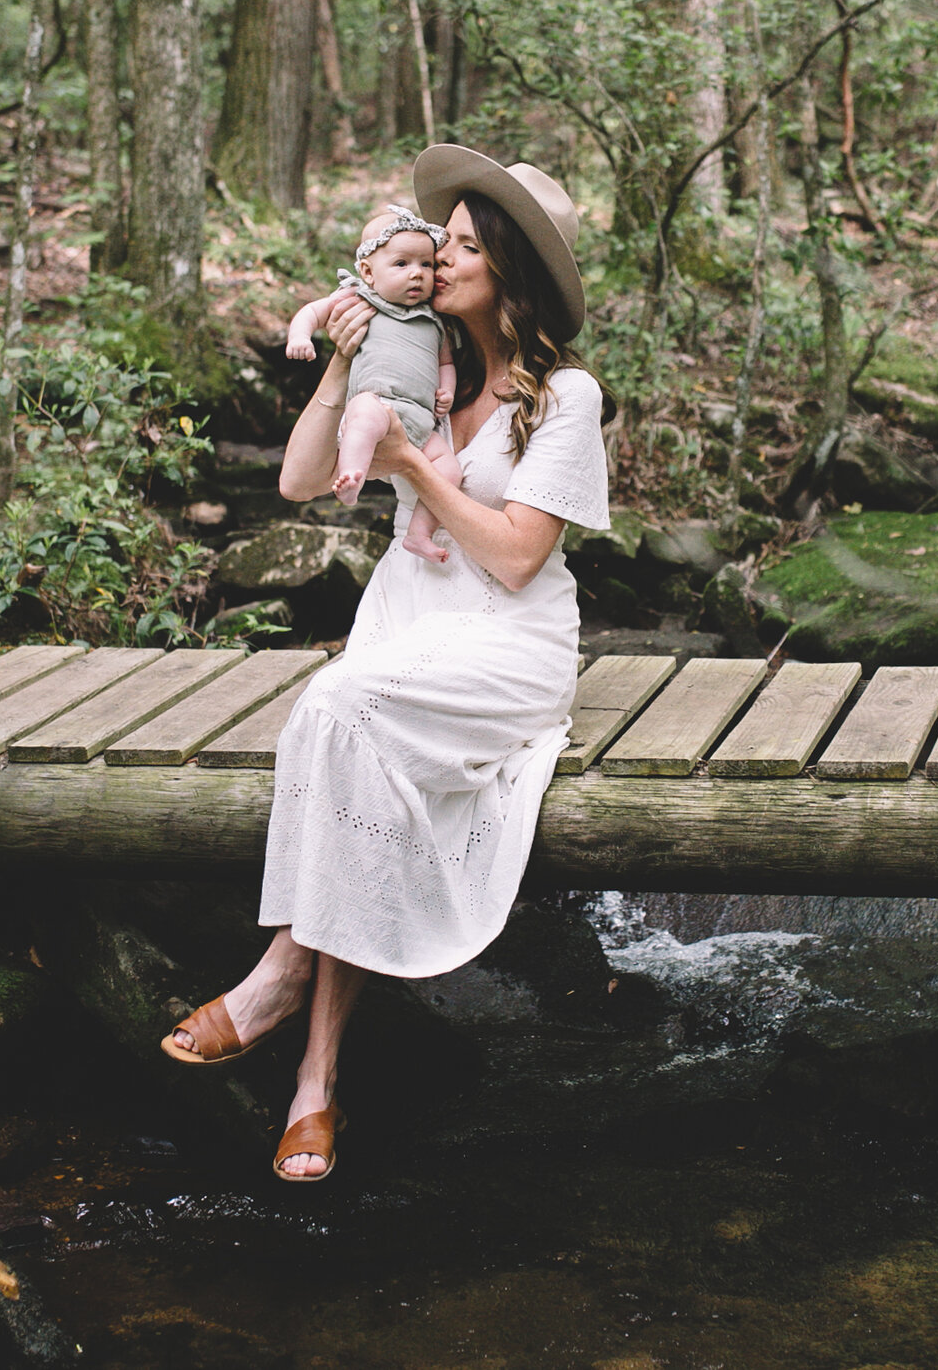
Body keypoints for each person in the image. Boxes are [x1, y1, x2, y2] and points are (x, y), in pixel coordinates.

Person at [159, 146, 613, 1184]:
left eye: (458, 243)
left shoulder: (566, 395)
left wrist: (409, 464)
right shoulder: (416, 359)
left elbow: (511, 554)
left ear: (507, 264)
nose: (434, 256)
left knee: (338, 703)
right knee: (345, 723)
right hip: (404, 619)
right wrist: (340, 361)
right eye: (438, 240)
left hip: (505, 640)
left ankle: (276, 976)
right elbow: (301, 479)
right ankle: (316, 1083)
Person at [283, 204, 463, 563]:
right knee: (363, 417)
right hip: (377, 402)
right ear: (367, 272)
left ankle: (419, 533)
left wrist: (447, 391)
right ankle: (353, 476)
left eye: (426, 264)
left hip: (420, 420)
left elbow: (445, 362)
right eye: (402, 264)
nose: (418, 274)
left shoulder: (434, 321)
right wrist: (300, 336)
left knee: (450, 469)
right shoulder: (359, 299)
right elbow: (312, 312)